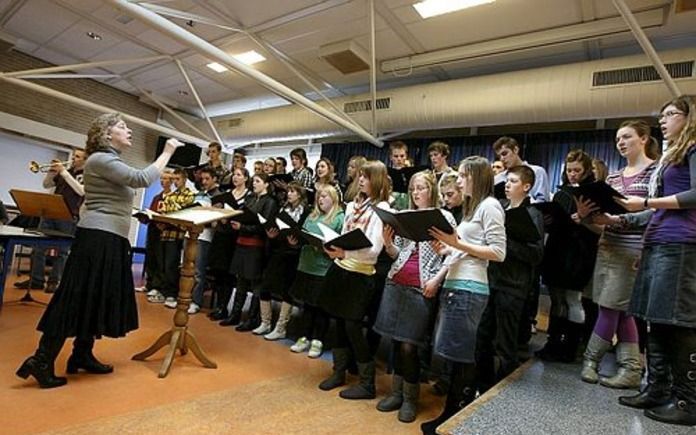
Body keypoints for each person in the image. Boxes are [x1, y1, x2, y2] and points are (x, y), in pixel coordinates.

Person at [16, 113, 183, 388]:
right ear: (106, 135)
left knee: (97, 296)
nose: (129, 130)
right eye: (122, 127)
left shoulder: (108, 160)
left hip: (109, 237)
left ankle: (82, 354)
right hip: (98, 238)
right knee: (77, 296)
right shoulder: (100, 159)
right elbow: (141, 178)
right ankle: (41, 360)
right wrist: (167, 151)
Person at [616, 95, 696, 426]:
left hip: (681, 244)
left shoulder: (692, 149)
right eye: (661, 115)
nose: (662, 120)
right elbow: (656, 210)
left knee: (678, 321)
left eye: (670, 115)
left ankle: (689, 401)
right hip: (659, 243)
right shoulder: (671, 155)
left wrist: (647, 200)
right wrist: (621, 217)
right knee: (655, 319)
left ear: (689, 117)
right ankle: (659, 388)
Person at [424, 156, 506, 434]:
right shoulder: (473, 209)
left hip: (470, 287)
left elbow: (498, 252)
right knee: (456, 353)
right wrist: (447, 249)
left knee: (461, 355)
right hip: (458, 284)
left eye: (462, 175)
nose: (458, 180)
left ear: (476, 176)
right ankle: (455, 409)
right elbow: (467, 247)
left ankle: (453, 412)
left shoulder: (490, 206)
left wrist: (455, 243)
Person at [579, 121, 657, 389]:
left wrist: (616, 221)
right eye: (617, 139)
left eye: (627, 137)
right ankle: (631, 369)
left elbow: (655, 214)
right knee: (621, 311)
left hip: (633, 248)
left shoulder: (655, 172)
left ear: (644, 138)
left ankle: (591, 360)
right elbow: (602, 222)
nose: (621, 142)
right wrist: (586, 217)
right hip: (608, 245)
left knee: (609, 307)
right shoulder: (612, 177)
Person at [373, 170, 456, 423]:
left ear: (431, 190)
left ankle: (410, 398)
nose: (416, 192)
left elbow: (453, 255)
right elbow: (399, 254)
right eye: (413, 188)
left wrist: (436, 280)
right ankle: (397, 393)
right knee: (396, 343)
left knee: (410, 345)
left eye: (421, 187)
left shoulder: (445, 216)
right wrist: (388, 244)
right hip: (396, 283)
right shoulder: (406, 216)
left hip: (421, 287)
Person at [317, 160, 390, 400]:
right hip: (341, 270)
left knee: (352, 326)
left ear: (377, 180)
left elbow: (373, 250)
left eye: (366, 177)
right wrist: (335, 245)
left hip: (362, 274)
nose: (361, 180)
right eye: (360, 176)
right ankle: (338, 372)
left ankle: (367, 383)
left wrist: (343, 252)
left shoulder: (383, 209)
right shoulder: (352, 206)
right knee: (336, 322)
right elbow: (347, 235)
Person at [476, 165, 544, 393]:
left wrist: (505, 243)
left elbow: (535, 254)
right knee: (483, 335)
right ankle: (483, 384)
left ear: (526, 187)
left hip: (513, 285)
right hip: (492, 280)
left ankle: (502, 390)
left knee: (505, 342)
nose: (507, 184)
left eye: (513, 181)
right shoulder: (500, 208)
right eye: (507, 180)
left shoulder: (533, 214)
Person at [538, 149, 600, 363]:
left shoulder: (594, 192)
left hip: (580, 250)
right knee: (556, 298)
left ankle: (572, 347)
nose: (572, 174)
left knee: (573, 299)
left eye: (577, 170)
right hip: (558, 248)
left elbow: (600, 226)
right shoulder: (561, 192)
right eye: (569, 170)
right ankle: (553, 343)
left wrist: (582, 219)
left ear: (586, 171)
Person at [15, 149, 86, 293]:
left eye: (78, 157)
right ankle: (36, 280)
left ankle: (54, 281)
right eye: (74, 156)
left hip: (69, 215)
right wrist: (51, 172)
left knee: (62, 252)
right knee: (38, 247)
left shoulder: (85, 175)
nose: (74, 159)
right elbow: (46, 185)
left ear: (85, 160)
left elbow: (81, 191)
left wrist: (64, 173)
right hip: (51, 212)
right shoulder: (64, 171)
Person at [288, 185, 344, 358]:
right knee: (306, 305)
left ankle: (317, 340)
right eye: (319, 196)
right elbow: (303, 234)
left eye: (325, 196)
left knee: (320, 306)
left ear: (334, 199)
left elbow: (341, 242)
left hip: (323, 267)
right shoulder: (312, 215)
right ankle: (303, 337)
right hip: (306, 264)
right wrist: (295, 241)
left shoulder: (339, 218)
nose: (320, 199)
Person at [255, 182, 309, 339]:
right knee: (265, 286)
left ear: (300, 194)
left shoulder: (305, 211)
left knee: (287, 290)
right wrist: (272, 235)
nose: (289, 194)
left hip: (293, 254)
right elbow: (276, 226)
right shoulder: (282, 208)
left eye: (293, 191)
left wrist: (296, 243)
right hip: (278, 250)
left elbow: (303, 233)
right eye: (289, 191)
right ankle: (265, 322)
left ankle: (281, 327)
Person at [229, 173, 279, 332]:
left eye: (258, 181)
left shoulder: (270, 202)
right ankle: (235, 314)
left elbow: (264, 226)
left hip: (256, 245)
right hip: (241, 242)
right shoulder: (249, 199)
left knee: (255, 282)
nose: (254, 183)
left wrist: (242, 227)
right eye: (254, 181)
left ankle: (252, 318)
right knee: (240, 279)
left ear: (266, 184)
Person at [148, 168, 194, 308]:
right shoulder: (169, 195)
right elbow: (164, 210)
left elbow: (183, 212)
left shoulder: (189, 195)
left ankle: (171, 294)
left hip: (177, 233)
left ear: (184, 179)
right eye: (173, 179)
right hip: (165, 232)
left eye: (177, 179)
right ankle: (161, 289)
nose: (174, 182)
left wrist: (171, 211)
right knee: (162, 263)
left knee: (171, 264)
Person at [189, 168, 222, 314]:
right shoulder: (200, 194)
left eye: (207, 179)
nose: (204, 182)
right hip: (191, 233)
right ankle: (185, 296)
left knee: (198, 271)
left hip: (205, 235)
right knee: (187, 268)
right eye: (202, 179)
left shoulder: (219, 196)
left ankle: (196, 301)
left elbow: (215, 219)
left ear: (215, 179)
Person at [134, 171, 172, 295]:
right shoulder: (157, 197)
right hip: (153, 229)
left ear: (171, 181)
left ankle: (157, 285)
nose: (162, 181)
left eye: (165, 179)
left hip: (164, 231)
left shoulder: (172, 197)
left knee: (160, 259)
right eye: (161, 179)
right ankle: (149, 283)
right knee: (151, 257)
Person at [492, 136, 550, 202]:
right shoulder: (498, 179)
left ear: (515, 150)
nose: (502, 158)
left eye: (504, 154)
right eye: (499, 156)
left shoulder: (537, 172)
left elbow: (543, 202)